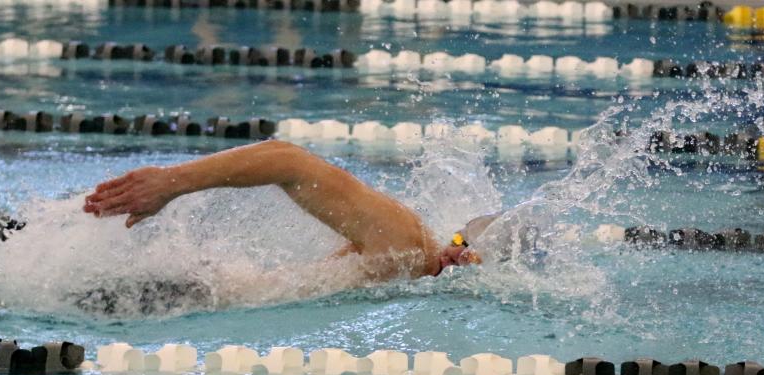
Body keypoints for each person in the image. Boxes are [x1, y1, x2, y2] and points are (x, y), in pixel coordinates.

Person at [83, 140, 489, 283]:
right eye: (461, 240)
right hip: (189, 293)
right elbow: (289, 161)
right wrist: (170, 183)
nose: (458, 252)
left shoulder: (405, 269)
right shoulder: (408, 247)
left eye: (471, 254)